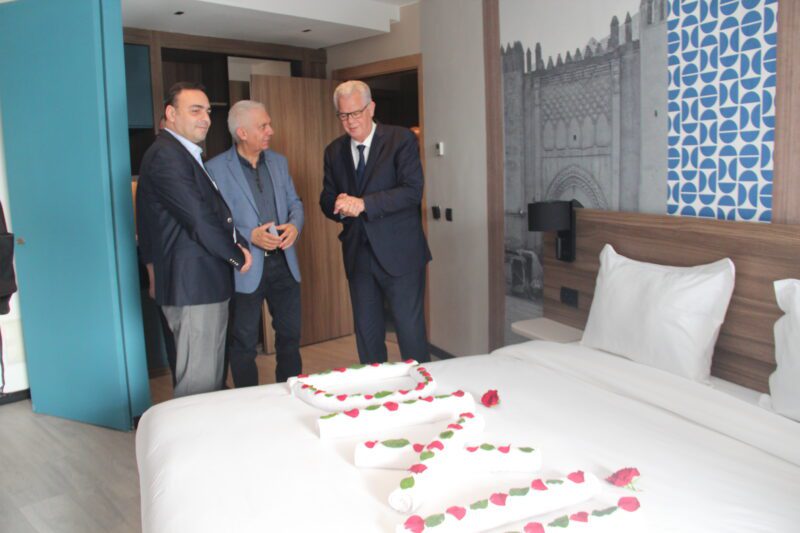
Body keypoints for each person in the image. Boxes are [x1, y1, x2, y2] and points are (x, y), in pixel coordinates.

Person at [136, 81, 252, 398]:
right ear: (171, 114)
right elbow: (198, 219)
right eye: (196, 110)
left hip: (203, 283)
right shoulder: (166, 155)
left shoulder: (183, 153)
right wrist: (235, 255)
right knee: (197, 387)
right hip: (193, 286)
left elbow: (210, 213)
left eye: (208, 111)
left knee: (209, 381)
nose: (206, 119)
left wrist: (238, 242)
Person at [320, 80, 431, 365]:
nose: (350, 121)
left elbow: (412, 191)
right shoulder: (333, 151)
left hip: (400, 254)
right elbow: (326, 199)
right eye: (343, 115)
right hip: (359, 256)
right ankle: (375, 389)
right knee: (367, 337)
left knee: (410, 334)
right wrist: (340, 206)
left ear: (371, 108)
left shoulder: (400, 139)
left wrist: (364, 204)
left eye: (356, 113)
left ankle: (423, 388)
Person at [206, 100, 304, 385]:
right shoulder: (214, 169)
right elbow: (212, 222)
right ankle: (248, 401)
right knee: (244, 343)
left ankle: (291, 395)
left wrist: (295, 226)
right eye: (263, 126)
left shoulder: (279, 162)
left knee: (290, 337)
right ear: (242, 132)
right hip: (246, 266)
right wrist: (249, 235)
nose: (270, 131)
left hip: (284, 263)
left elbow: (295, 203)